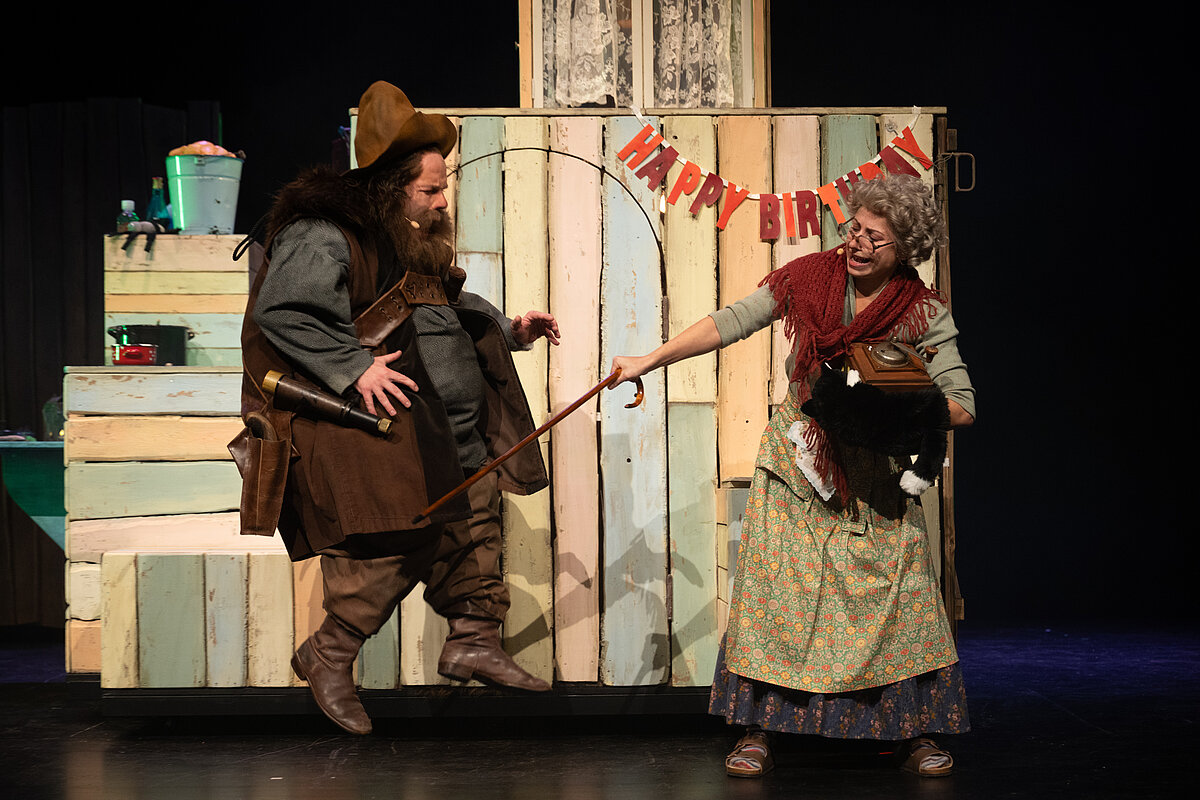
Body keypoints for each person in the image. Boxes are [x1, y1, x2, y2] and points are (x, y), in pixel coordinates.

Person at [610, 174, 975, 777]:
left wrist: (899, 403)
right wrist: (650, 359)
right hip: (799, 462)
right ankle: (758, 730)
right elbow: (732, 320)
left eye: (875, 238)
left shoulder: (922, 311)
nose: (857, 243)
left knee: (898, 599)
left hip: (875, 477)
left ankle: (912, 731)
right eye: (855, 228)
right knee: (776, 596)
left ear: (905, 250)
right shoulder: (808, 278)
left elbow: (961, 404)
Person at [237, 80, 559, 735]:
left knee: (475, 510)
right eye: (430, 190)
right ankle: (329, 654)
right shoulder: (324, 233)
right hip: (362, 428)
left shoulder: (403, 240)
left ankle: (473, 639)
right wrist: (354, 367)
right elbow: (283, 310)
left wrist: (511, 330)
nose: (442, 201)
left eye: (443, 189)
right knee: (395, 534)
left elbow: (440, 303)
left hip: (440, 427)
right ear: (390, 185)